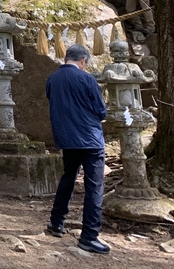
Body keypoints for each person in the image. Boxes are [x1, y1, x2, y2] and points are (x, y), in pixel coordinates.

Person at [45, 43, 110, 254]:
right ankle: (89, 236)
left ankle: (57, 221)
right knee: (94, 187)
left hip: (66, 137)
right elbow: (101, 111)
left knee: (68, 178)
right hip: (90, 139)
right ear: (83, 61)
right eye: (85, 63)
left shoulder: (52, 79)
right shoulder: (87, 78)